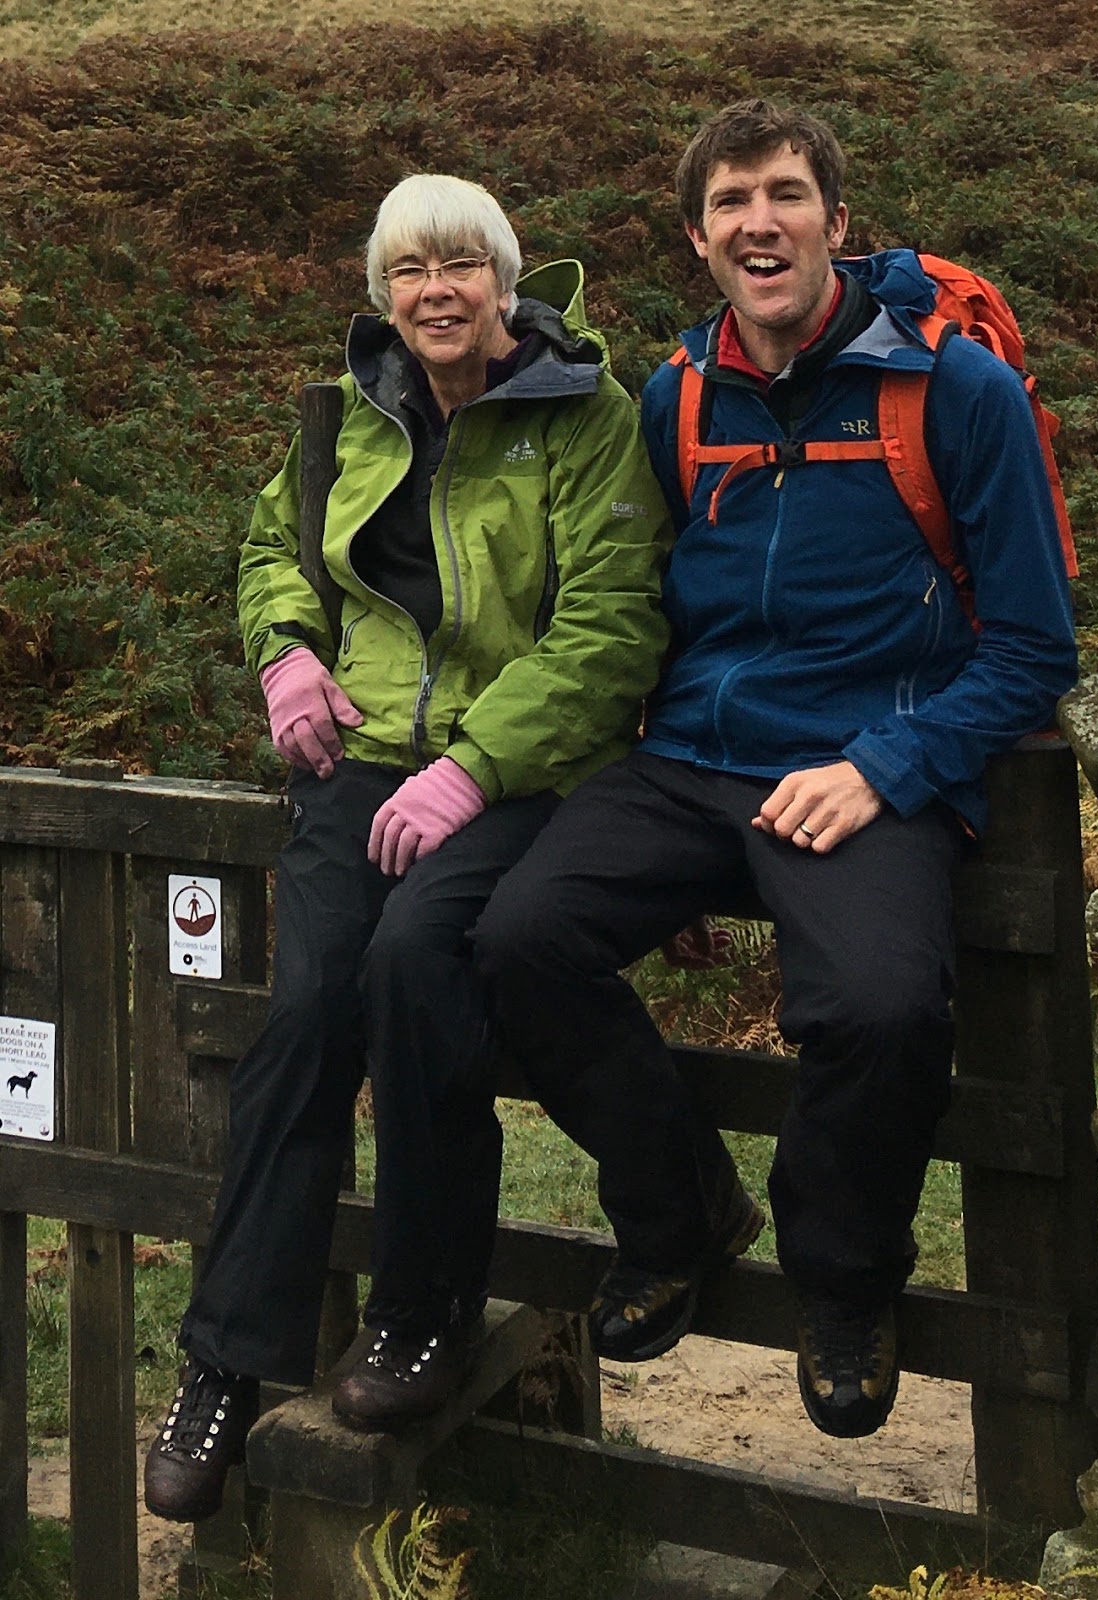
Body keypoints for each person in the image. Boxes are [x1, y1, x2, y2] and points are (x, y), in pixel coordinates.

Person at [473, 100, 1077, 1440]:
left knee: (882, 1010)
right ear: (698, 240)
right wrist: (630, 798)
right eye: (731, 202)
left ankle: (843, 1283)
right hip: (690, 756)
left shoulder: (955, 393)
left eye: (786, 194)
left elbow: (1037, 649)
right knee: (514, 939)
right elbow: (644, 610)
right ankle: (679, 1211)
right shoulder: (676, 396)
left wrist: (890, 763)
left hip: (867, 763)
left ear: (837, 222)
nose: (761, 222)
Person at [143, 173, 671, 1522]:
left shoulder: (586, 416)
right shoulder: (348, 412)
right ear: (383, 294)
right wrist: (286, 653)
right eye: (408, 272)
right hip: (362, 761)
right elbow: (271, 546)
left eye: (460, 265)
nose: (435, 292)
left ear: (507, 281)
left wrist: (473, 768)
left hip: (520, 774)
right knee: (310, 1010)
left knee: (415, 972)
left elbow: (612, 626)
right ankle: (225, 1362)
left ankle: (422, 1313)